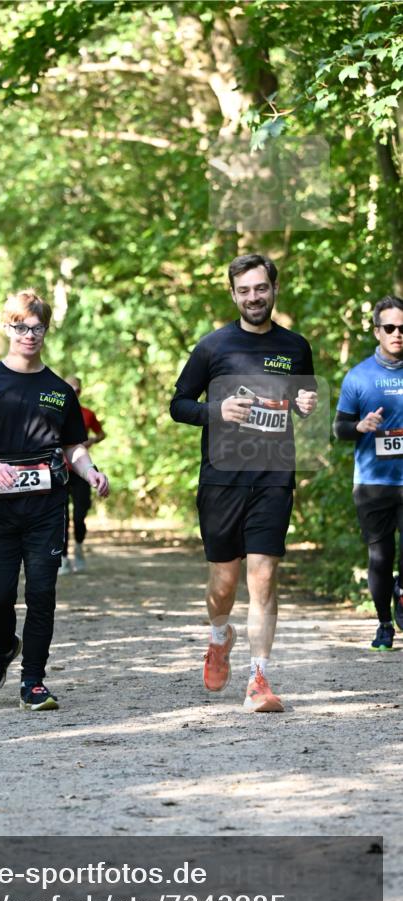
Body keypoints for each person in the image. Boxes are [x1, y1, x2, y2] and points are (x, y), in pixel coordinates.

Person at [170, 253, 317, 713]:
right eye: (245, 290)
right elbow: (178, 404)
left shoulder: (295, 346)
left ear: (274, 289)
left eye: (261, 288)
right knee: (223, 583)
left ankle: (259, 678)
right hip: (222, 480)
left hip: (274, 477)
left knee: (264, 577)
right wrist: (215, 411)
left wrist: (305, 403)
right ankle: (219, 637)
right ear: (233, 294)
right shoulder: (213, 347)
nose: (254, 297)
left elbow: (296, 399)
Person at [0, 289, 109, 711]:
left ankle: (33, 681)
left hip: (47, 509)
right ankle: (5, 647)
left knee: (42, 593)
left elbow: (74, 448)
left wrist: (90, 471)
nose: (29, 335)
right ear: (7, 327)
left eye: (37, 328)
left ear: (46, 330)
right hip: (2, 510)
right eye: (21, 327)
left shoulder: (59, 390)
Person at [334, 295, 403, 650]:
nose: (397, 334)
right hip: (374, 483)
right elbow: (339, 428)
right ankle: (383, 626)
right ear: (377, 331)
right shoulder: (358, 377)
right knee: (380, 556)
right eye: (390, 327)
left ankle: (401, 591)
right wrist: (360, 426)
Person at [59, 376, 106, 574]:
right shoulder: (55, 412)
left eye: (77, 390)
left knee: (80, 515)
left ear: (80, 392)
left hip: (81, 471)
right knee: (61, 517)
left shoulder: (87, 414)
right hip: (59, 471)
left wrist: (90, 441)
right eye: (70, 389)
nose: (74, 393)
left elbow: (101, 433)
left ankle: (78, 548)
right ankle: (62, 558)